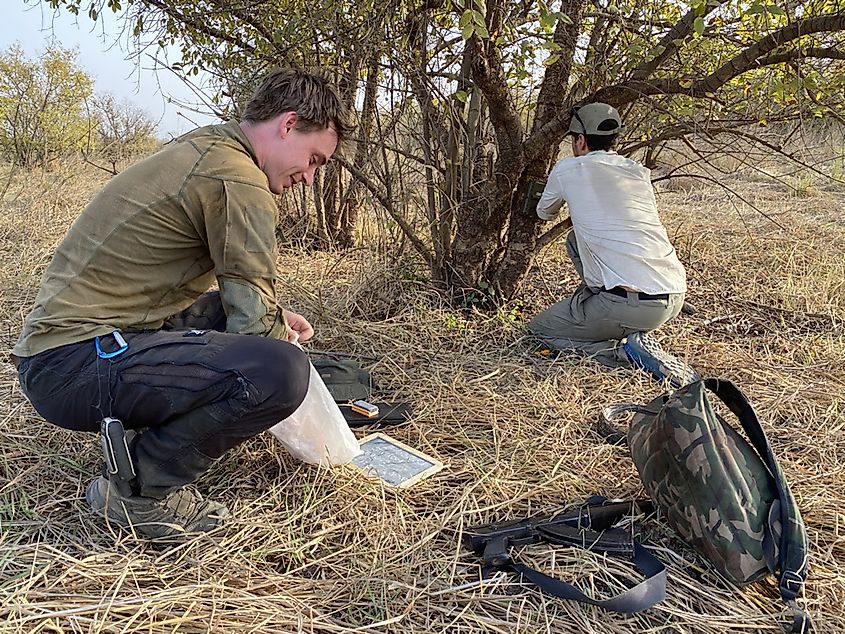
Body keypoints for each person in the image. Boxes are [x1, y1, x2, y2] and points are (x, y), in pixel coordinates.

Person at [10, 68, 352, 538]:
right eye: (314, 159)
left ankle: (139, 440)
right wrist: (311, 417)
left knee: (240, 328)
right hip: (73, 364)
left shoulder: (211, 146)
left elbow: (244, 306)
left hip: (63, 355)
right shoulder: (240, 180)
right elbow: (255, 330)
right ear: (289, 124)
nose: (310, 178)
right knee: (279, 371)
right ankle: (137, 489)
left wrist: (272, 317)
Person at [528, 102, 696, 384]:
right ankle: (618, 324)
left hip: (631, 305)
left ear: (580, 140)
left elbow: (543, 212)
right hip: (673, 295)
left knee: (540, 330)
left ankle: (623, 352)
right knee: (574, 239)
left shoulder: (568, 169)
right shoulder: (637, 171)